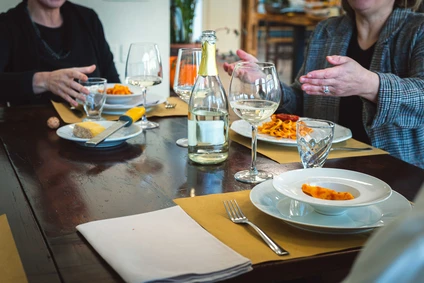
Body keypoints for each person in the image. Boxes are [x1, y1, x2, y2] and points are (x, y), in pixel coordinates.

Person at [224, 0, 424, 169]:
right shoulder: (326, 30)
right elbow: (303, 102)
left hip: (395, 172)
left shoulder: (418, 30)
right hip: (322, 167)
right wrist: (266, 82)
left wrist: (370, 85)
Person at [0, 0, 120, 107]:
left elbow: (113, 82)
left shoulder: (88, 19)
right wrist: (44, 80)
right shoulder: (6, 25)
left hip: (94, 127)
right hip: (33, 128)